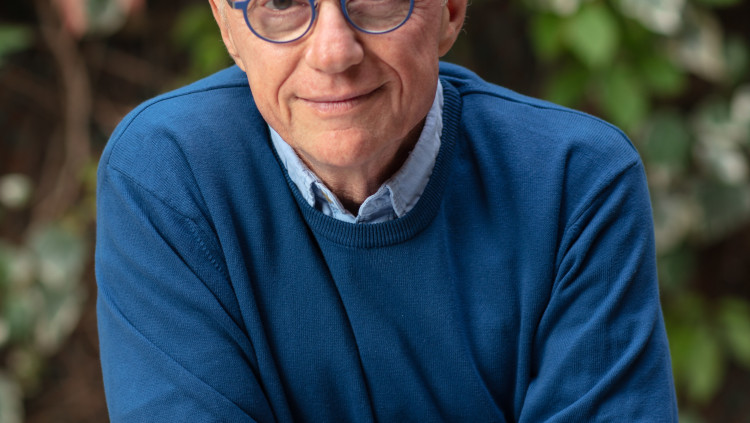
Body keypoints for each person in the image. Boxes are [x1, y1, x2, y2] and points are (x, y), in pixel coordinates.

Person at [95, 0, 679, 420]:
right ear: (227, 25)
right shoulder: (167, 175)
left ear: (450, 11)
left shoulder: (575, 181)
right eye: (281, 3)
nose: (333, 53)